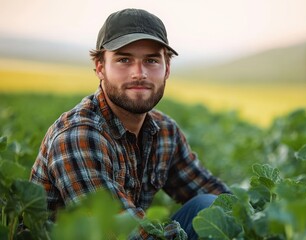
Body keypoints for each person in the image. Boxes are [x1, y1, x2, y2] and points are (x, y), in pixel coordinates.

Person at [30, 8, 230, 239]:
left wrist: (257, 223)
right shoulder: (77, 135)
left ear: (167, 69)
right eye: (124, 60)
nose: (139, 73)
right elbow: (122, 233)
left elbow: (212, 191)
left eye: (151, 60)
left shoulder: (165, 131)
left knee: (212, 207)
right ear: (100, 67)